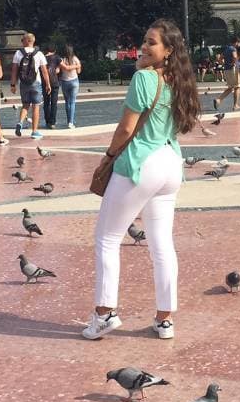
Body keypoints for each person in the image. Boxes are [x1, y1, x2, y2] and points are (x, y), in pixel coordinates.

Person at [84, 20, 200, 342]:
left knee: (107, 239)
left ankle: (104, 314)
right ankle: (165, 321)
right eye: (144, 41)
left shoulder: (143, 79)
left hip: (140, 163)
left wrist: (109, 155)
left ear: (168, 50)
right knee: (162, 244)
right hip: (170, 163)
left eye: (152, 43)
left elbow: (126, 129)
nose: (144, 47)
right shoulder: (181, 80)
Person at [10, 32, 51, 139]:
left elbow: (14, 70)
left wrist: (13, 84)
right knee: (36, 106)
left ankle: (20, 122)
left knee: (25, 105)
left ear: (28, 40)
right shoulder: (39, 53)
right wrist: (48, 84)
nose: (21, 42)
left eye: (22, 39)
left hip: (23, 83)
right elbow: (44, 71)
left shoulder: (18, 53)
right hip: (36, 83)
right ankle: (34, 131)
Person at [213, 35, 240, 112]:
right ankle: (236, 105)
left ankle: (218, 100)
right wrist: (233, 63)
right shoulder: (233, 49)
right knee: (237, 87)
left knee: (230, 87)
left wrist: (224, 64)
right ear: (236, 42)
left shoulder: (226, 49)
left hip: (227, 70)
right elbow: (235, 57)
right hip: (233, 70)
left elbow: (219, 59)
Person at [58, 44, 81, 128]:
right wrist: (76, 66)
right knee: (72, 102)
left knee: (67, 102)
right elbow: (78, 71)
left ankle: (69, 120)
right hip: (74, 81)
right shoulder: (75, 59)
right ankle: (71, 122)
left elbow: (60, 70)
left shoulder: (61, 60)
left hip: (64, 81)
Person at [43, 46, 62, 129]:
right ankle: (52, 122)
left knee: (46, 102)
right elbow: (62, 66)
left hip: (45, 82)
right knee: (54, 103)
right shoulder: (57, 57)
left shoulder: (43, 57)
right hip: (54, 82)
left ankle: (47, 121)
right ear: (55, 50)